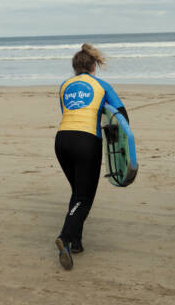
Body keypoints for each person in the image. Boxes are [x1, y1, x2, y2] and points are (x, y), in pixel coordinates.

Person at [53, 43, 128, 270]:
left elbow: (68, 112)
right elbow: (121, 116)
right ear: (94, 65)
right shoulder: (102, 85)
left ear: (75, 67)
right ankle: (65, 238)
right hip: (87, 141)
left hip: (61, 140)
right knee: (84, 198)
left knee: (78, 192)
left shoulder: (64, 86)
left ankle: (77, 242)